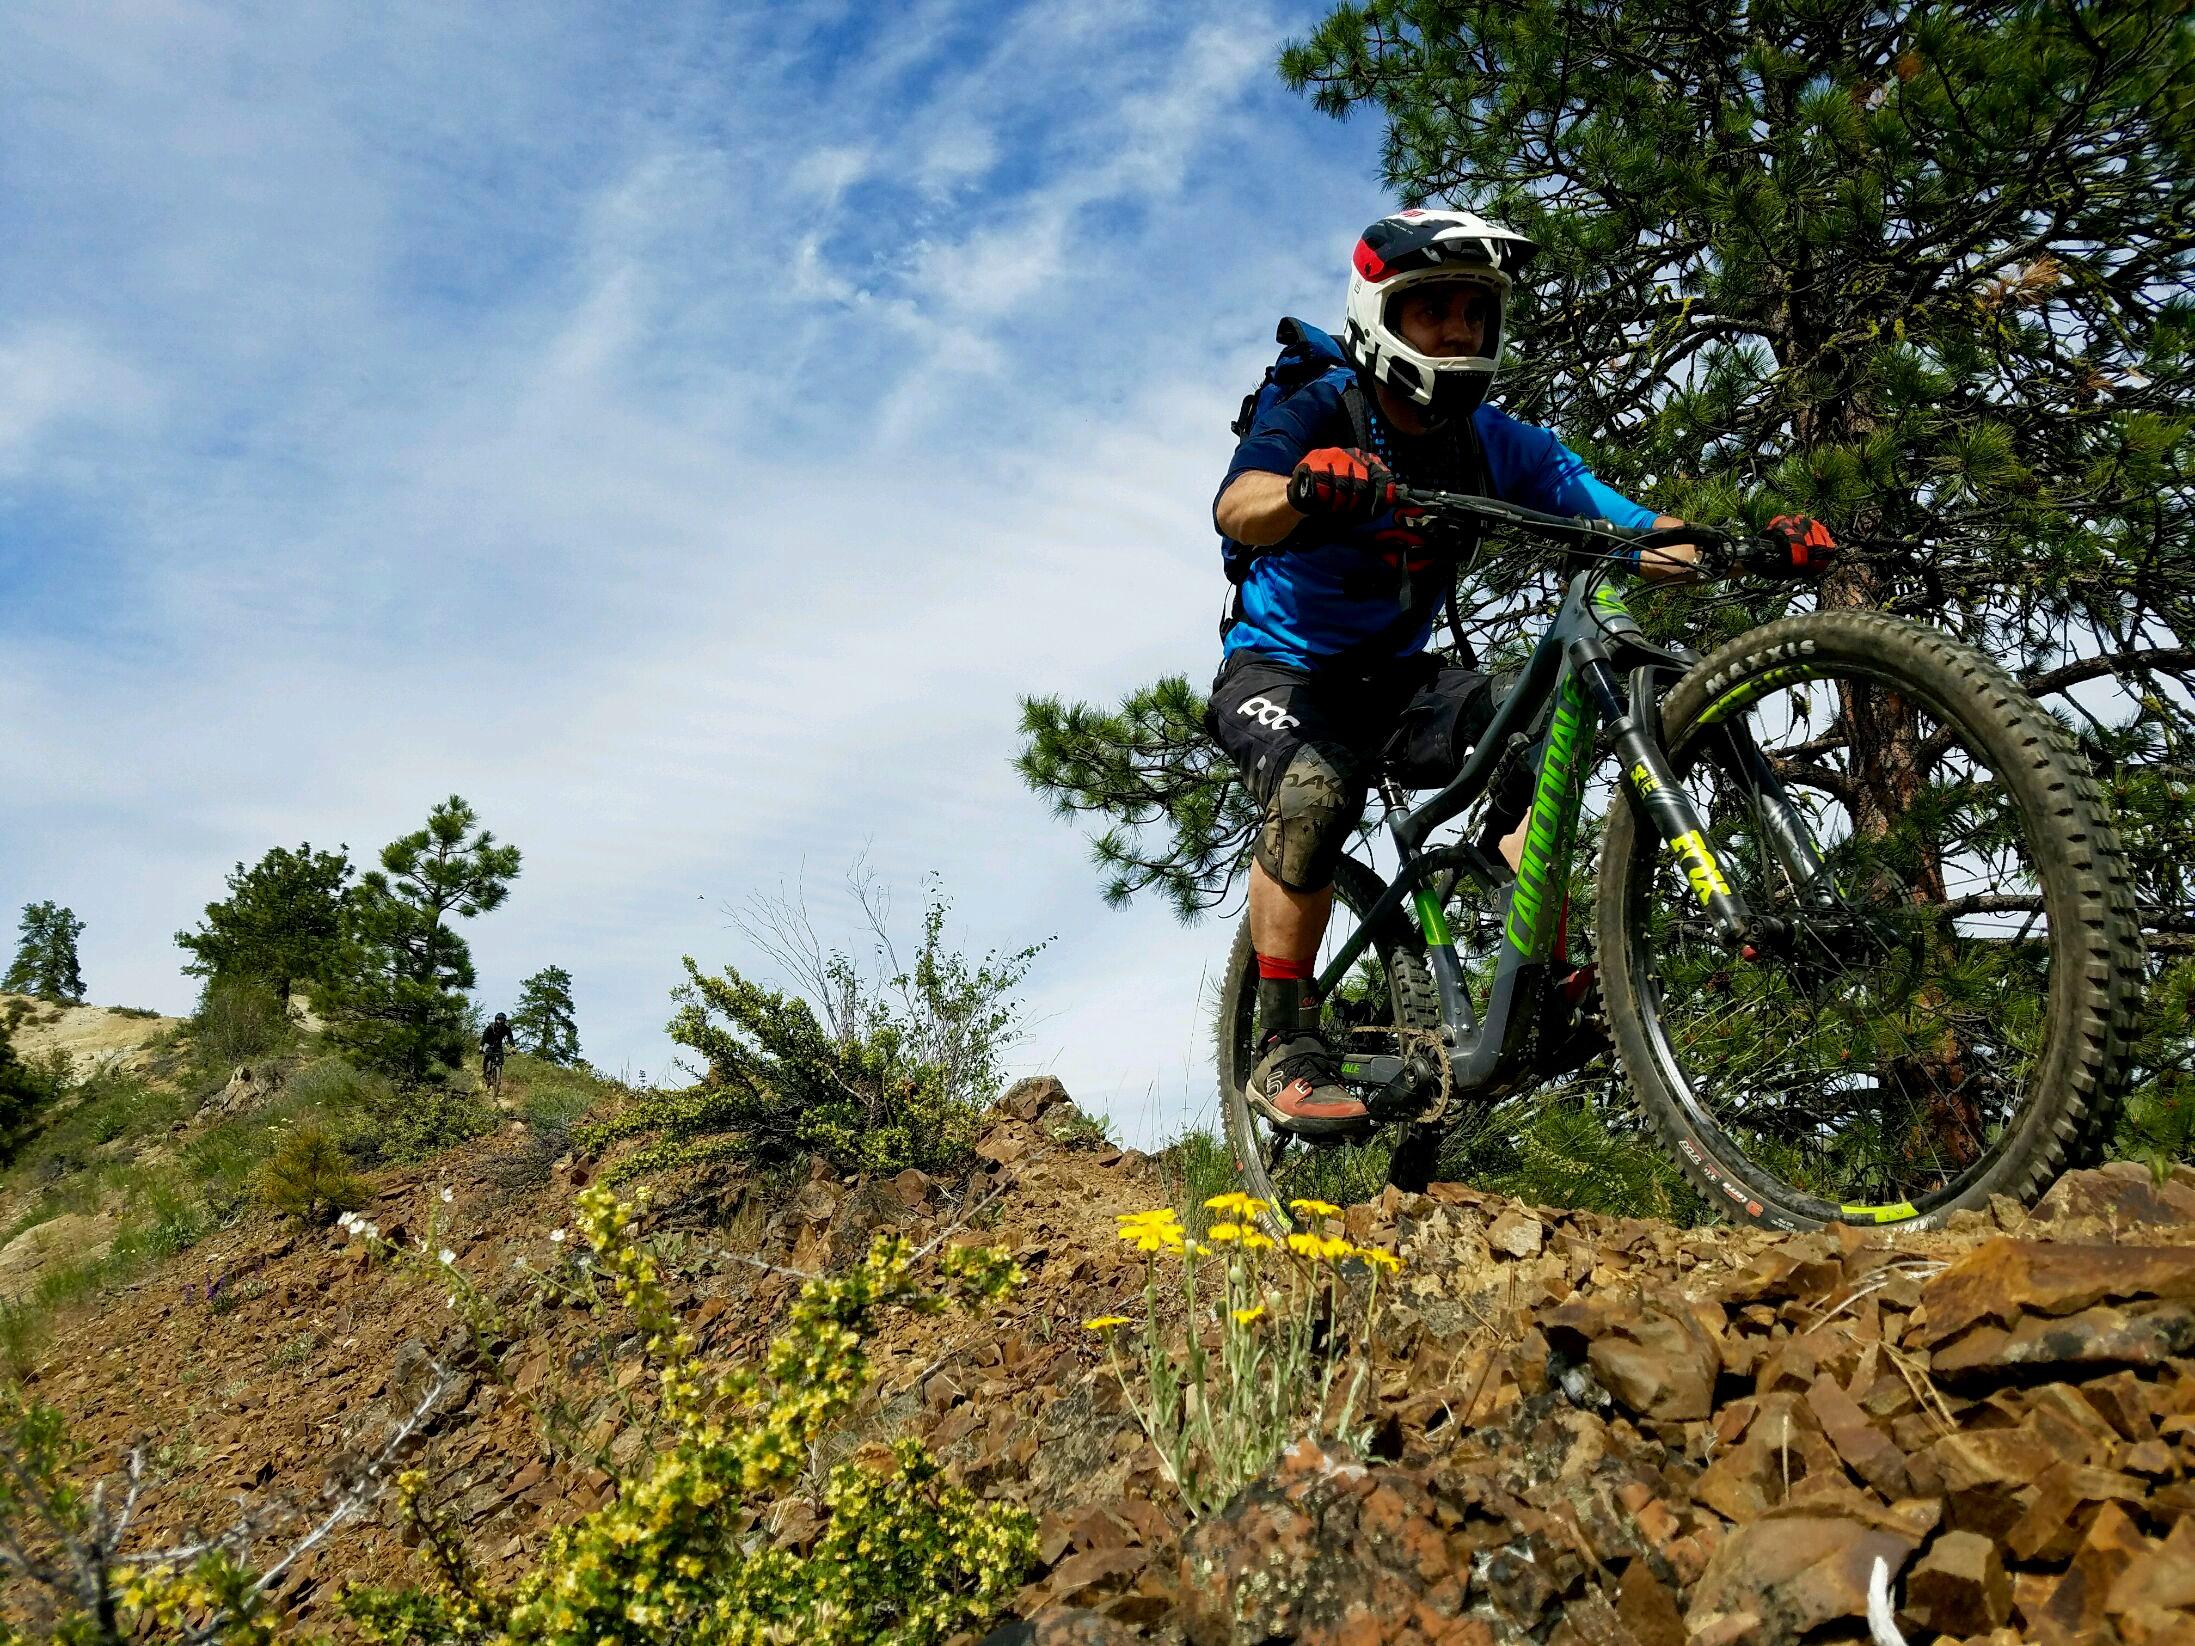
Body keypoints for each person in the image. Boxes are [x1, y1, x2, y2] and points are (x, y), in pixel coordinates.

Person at [1209, 207, 1828, 1138]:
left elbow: (1632, 531)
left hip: (1400, 677)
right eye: (1433, 311)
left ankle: (1528, 979)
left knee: (1552, 725)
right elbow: (1236, 507)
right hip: (1280, 672)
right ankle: (1284, 1044)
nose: (1457, 331)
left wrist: (1736, 547)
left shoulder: (1498, 443)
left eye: (1473, 312)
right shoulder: (1319, 406)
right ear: (1381, 315)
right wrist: (1303, 486)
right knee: (1314, 789)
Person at [481, 1011, 515, 1085]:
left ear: (504, 1020)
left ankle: (497, 1076)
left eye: (502, 1020)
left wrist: (513, 1047)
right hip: (488, 1044)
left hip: (498, 1045)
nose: (500, 1021)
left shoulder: (506, 1029)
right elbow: (484, 1037)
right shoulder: (490, 1027)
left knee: (500, 1060)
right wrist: (481, 1047)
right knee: (487, 1055)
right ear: (496, 1020)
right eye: (499, 1019)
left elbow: (510, 1038)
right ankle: (484, 1071)